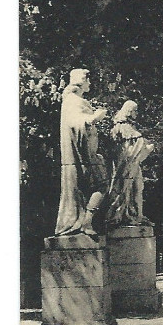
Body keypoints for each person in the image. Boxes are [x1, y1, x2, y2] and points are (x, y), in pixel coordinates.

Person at [54, 69, 109, 236]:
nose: (90, 83)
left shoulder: (76, 100)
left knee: (98, 186)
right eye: (88, 80)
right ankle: (86, 222)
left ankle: (86, 222)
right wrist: (94, 118)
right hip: (81, 156)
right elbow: (75, 123)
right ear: (80, 82)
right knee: (102, 184)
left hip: (88, 154)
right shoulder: (73, 101)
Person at [106, 100, 155, 226]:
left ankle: (138, 214)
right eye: (135, 110)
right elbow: (130, 148)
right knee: (126, 188)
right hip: (127, 164)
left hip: (134, 163)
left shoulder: (129, 126)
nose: (136, 113)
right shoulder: (122, 126)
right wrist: (146, 148)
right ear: (129, 111)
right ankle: (123, 214)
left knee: (138, 187)